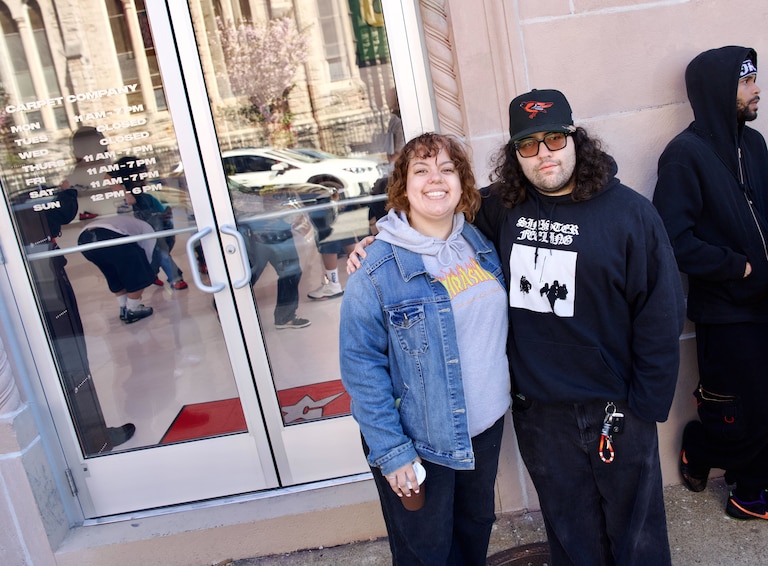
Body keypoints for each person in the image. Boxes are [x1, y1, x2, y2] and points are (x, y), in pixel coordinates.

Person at [349, 90, 685, 565]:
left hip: (617, 404)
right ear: (514, 155)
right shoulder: (500, 208)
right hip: (541, 413)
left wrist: (647, 406)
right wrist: (377, 237)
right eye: (528, 145)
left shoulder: (630, 215)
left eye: (554, 139)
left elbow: (660, 314)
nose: (543, 153)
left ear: (576, 140)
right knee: (570, 531)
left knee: (637, 535)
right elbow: (433, 206)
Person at [339, 133, 511, 564]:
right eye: (421, 170)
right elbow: (361, 367)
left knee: (472, 539)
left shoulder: (479, 242)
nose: (435, 179)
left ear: (462, 182)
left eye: (447, 169)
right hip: (421, 441)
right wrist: (392, 452)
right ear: (403, 186)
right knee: (427, 554)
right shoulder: (377, 268)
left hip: (485, 428)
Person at [653, 46, 768, 521]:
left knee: (761, 402)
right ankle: (747, 492)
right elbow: (671, 238)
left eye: (754, 79)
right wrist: (735, 267)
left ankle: (707, 455)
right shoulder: (683, 156)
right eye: (746, 82)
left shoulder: (755, 144)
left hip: (764, 299)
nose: (756, 88)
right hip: (725, 308)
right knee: (741, 407)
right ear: (719, 89)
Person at [229, 181, 311, 329]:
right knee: (250, 275)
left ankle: (285, 317)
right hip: (257, 231)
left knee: (292, 271)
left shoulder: (275, 181)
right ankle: (224, 307)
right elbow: (236, 200)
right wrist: (263, 203)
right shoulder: (236, 180)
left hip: (279, 229)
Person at [117, 156, 188, 291]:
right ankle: (175, 278)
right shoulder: (127, 199)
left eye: (143, 175)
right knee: (160, 252)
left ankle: (154, 272)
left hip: (157, 229)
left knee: (161, 251)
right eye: (138, 176)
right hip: (146, 232)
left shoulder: (146, 196)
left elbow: (161, 211)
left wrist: (165, 215)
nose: (142, 180)